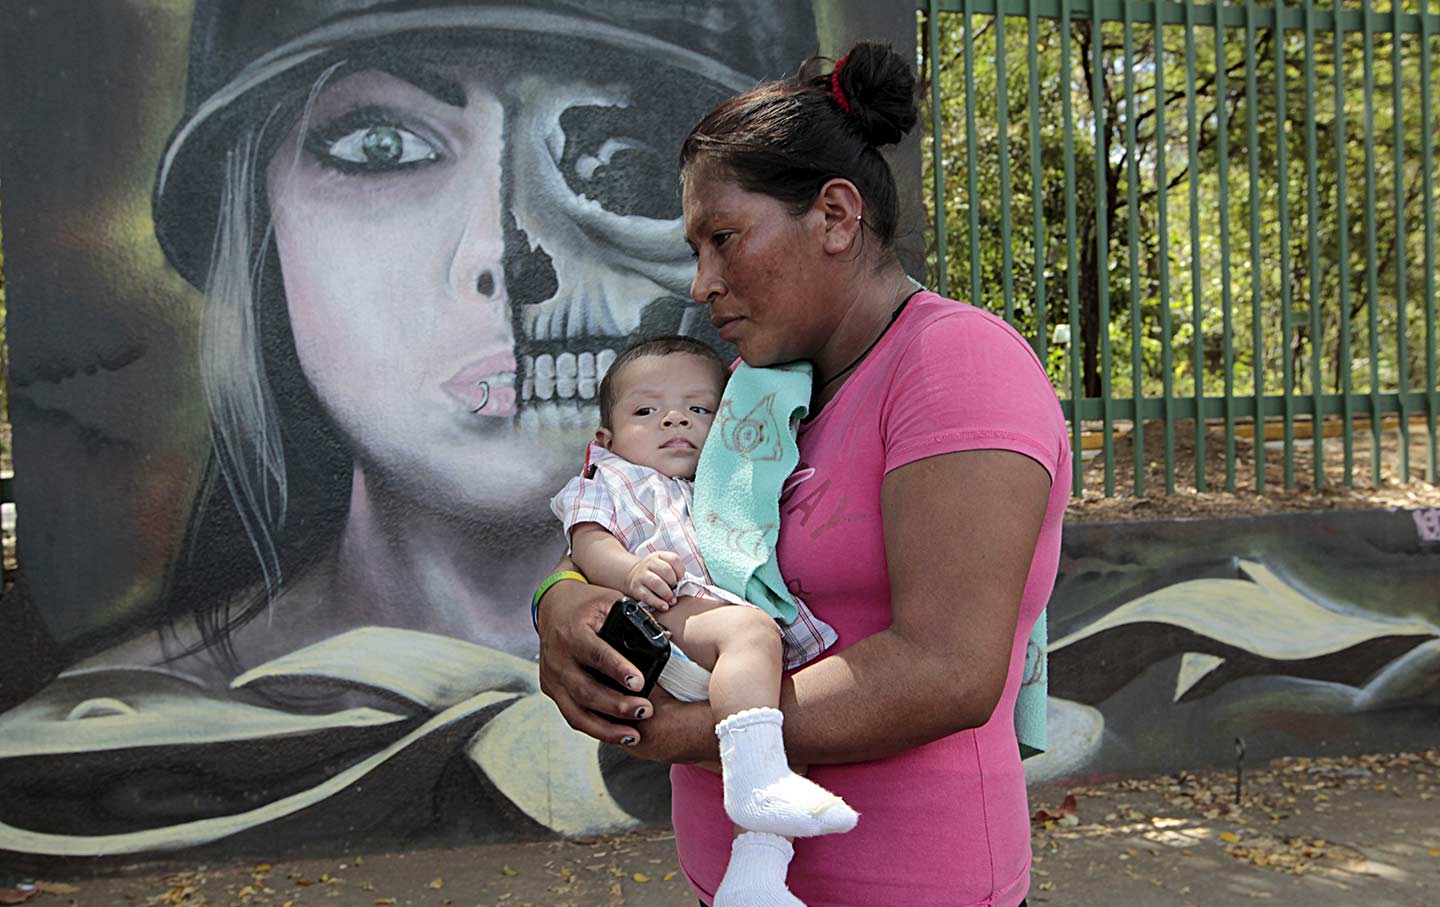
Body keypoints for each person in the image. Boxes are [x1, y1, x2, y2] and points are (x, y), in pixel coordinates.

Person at [0, 0, 822, 856]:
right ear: (258, 221)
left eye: (634, 157)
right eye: (382, 146)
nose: (508, 258)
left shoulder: (805, 640)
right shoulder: (99, 746)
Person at [535, 41, 1070, 907]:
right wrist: (560, 601)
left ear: (834, 215)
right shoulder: (757, 390)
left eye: (724, 238)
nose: (702, 281)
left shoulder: (955, 366)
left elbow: (948, 668)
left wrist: (683, 731)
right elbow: (654, 523)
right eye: (695, 248)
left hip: (904, 883)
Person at [550, 335, 854, 906]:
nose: (674, 420)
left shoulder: (714, 483)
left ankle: (756, 873)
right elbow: (587, 540)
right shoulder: (611, 477)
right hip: (662, 615)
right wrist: (629, 570)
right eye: (647, 411)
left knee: (791, 743)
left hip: (710, 642)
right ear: (606, 438)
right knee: (752, 631)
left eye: (699, 408)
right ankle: (755, 792)